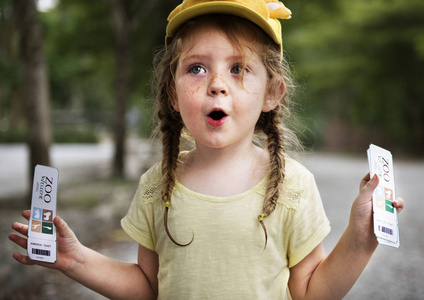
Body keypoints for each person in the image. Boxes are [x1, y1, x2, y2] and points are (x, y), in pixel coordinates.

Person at [9, 0, 404, 299]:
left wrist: (360, 238)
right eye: (197, 68)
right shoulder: (157, 185)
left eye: (238, 68)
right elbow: (147, 285)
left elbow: (310, 291)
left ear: (272, 92)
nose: (217, 84)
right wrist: (73, 258)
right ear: (173, 93)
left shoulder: (293, 187)